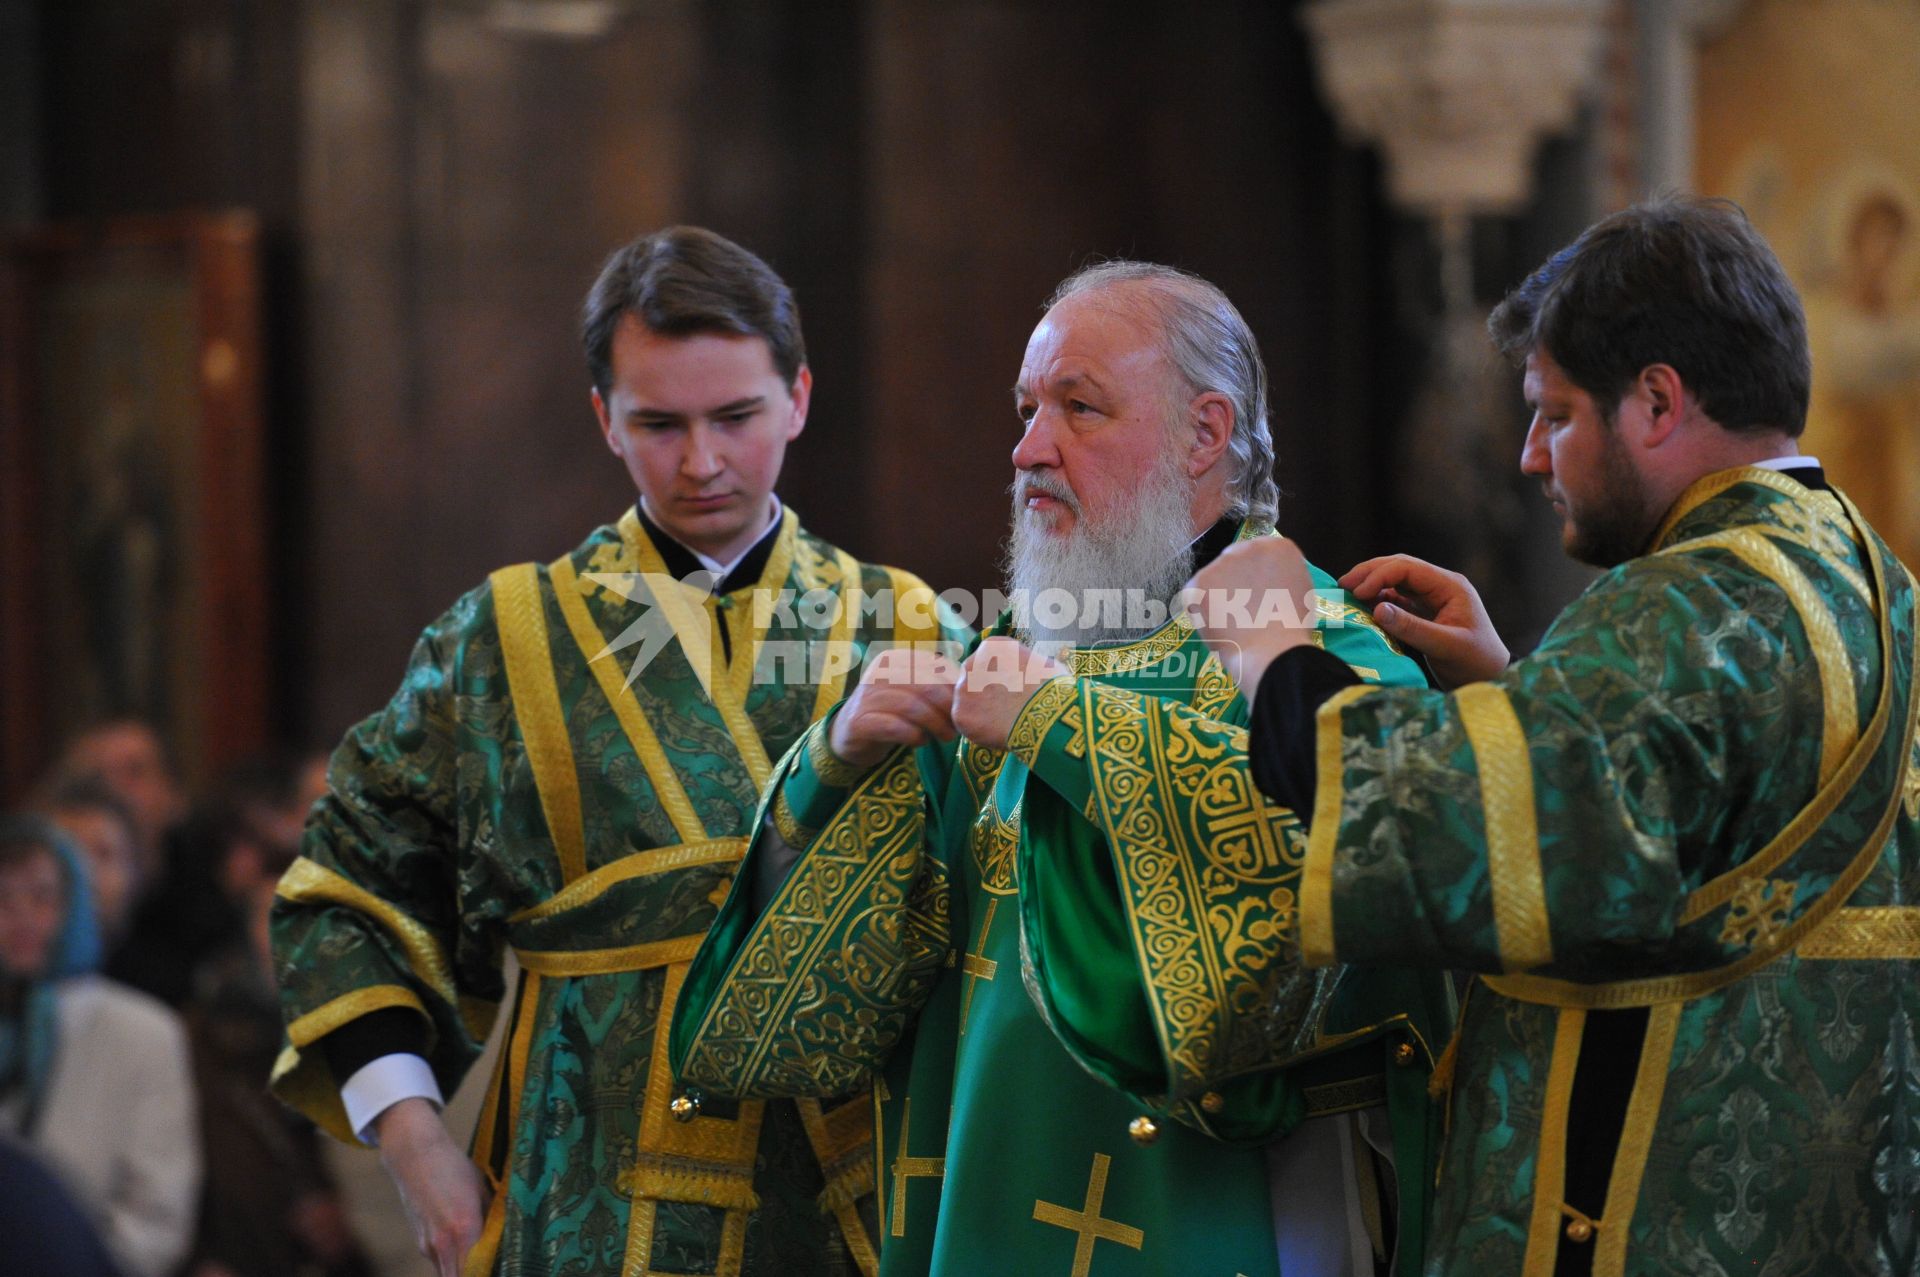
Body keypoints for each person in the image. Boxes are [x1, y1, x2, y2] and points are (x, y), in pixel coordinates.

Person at [671, 262, 1453, 1276]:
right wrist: (835, 762)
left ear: (1204, 433)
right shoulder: (1021, 650)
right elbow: (816, 1020)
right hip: (979, 1205)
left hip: (1206, 1215)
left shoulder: (1316, 651)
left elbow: (1345, 886)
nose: (1029, 448)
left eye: (1078, 408)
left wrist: (1058, 722)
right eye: (1028, 408)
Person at [1191, 196, 1920, 1274]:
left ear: (1659, 401)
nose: (1532, 455)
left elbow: (1451, 841)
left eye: (1557, 412)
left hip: (1653, 1218)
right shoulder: (1860, 570)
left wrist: (1273, 649)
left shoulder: (1689, 605)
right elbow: (1697, 831)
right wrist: (1524, 689)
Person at [269, 226, 958, 1277]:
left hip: (849, 1194)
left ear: (800, 398)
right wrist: (413, 1144)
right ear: (604, 419)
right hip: (583, 1188)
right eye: (658, 423)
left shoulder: (909, 626)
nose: (702, 461)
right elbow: (346, 895)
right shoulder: (502, 640)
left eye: (736, 416)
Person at [0, 814, 201, 1277]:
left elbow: (158, 1212)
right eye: (4, 900)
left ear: (75, 907)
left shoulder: (143, 1030)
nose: (23, 918)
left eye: (42, 897)